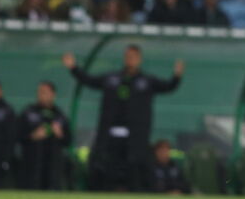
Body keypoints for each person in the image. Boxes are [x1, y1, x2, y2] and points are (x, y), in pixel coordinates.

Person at [62, 45, 184, 191]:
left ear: (139, 59)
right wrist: (74, 68)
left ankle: (136, 193)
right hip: (110, 134)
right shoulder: (112, 78)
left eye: (133, 57)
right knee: (107, 164)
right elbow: (89, 80)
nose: (130, 60)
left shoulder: (147, 81)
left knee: (134, 166)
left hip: (135, 135)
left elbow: (168, 86)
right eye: (128, 56)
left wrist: (176, 76)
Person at [17, 81, 71, 190]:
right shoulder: (28, 112)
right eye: (40, 92)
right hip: (31, 167)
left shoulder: (59, 115)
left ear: (53, 94)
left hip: (53, 168)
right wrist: (33, 136)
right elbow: (17, 136)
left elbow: (68, 140)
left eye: (45, 92)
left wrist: (60, 134)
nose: (41, 95)